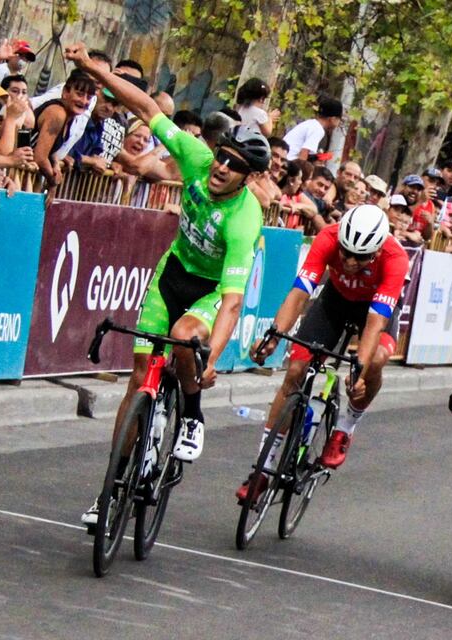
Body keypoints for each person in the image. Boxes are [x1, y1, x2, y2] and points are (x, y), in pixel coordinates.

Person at [65, 43, 271, 525]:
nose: (222, 168)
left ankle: (193, 413)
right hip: (173, 272)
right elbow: (143, 106)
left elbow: (235, 300)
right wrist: (94, 72)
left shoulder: (245, 219)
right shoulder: (196, 157)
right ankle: (108, 490)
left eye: (235, 166)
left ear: (248, 177)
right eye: (223, 157)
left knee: (183, 340)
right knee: (139, 379)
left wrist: (211, 361)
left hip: (212, 289)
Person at [241, 205, 409, 500]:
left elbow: (374, 323)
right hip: (335, 300)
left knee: (376, 362)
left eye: (362, 257)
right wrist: (273, 338)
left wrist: (359, 368)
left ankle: (345, 427)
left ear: (378, 251)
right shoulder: (328, 237)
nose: (351, 261)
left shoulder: (396, 259)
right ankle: (263, 470)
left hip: (373, 310)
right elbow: (299, 293)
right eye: (346, 253)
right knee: (295, 371)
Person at [30, 68, 96, 185]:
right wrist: (53, 181)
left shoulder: (69, 117)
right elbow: (40, 157)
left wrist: (55, 162)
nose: (84, 101)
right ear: (65, 92)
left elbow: (48, 149)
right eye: (79, 94)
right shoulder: (57, 113)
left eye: (89, 98)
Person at [282, 96, 342, 160]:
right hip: (287, 160)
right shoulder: (318, 129)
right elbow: (304, 153)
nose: (339, 123)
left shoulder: (311, 124)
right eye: (339, 119)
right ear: (333, 119)